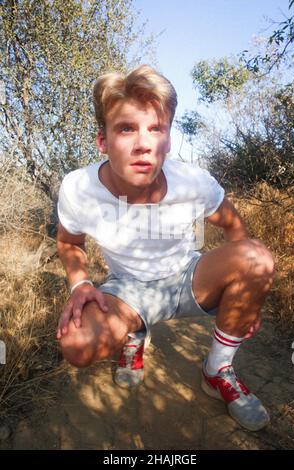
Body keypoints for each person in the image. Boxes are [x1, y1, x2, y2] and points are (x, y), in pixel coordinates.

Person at [56, 65, 274, 432]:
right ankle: (134, 335)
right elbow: (69, 242)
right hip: (127, 288)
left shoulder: (193, 182)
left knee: (258, 257)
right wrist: (81, 284)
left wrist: (249, 295)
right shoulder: (78, 188)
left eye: (156, 128)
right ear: (103, 141)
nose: (144, 143)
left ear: (168, 141)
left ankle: (217, 370)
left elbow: (235, 228)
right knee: (77, 345)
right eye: (126, 128)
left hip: (189, 276)